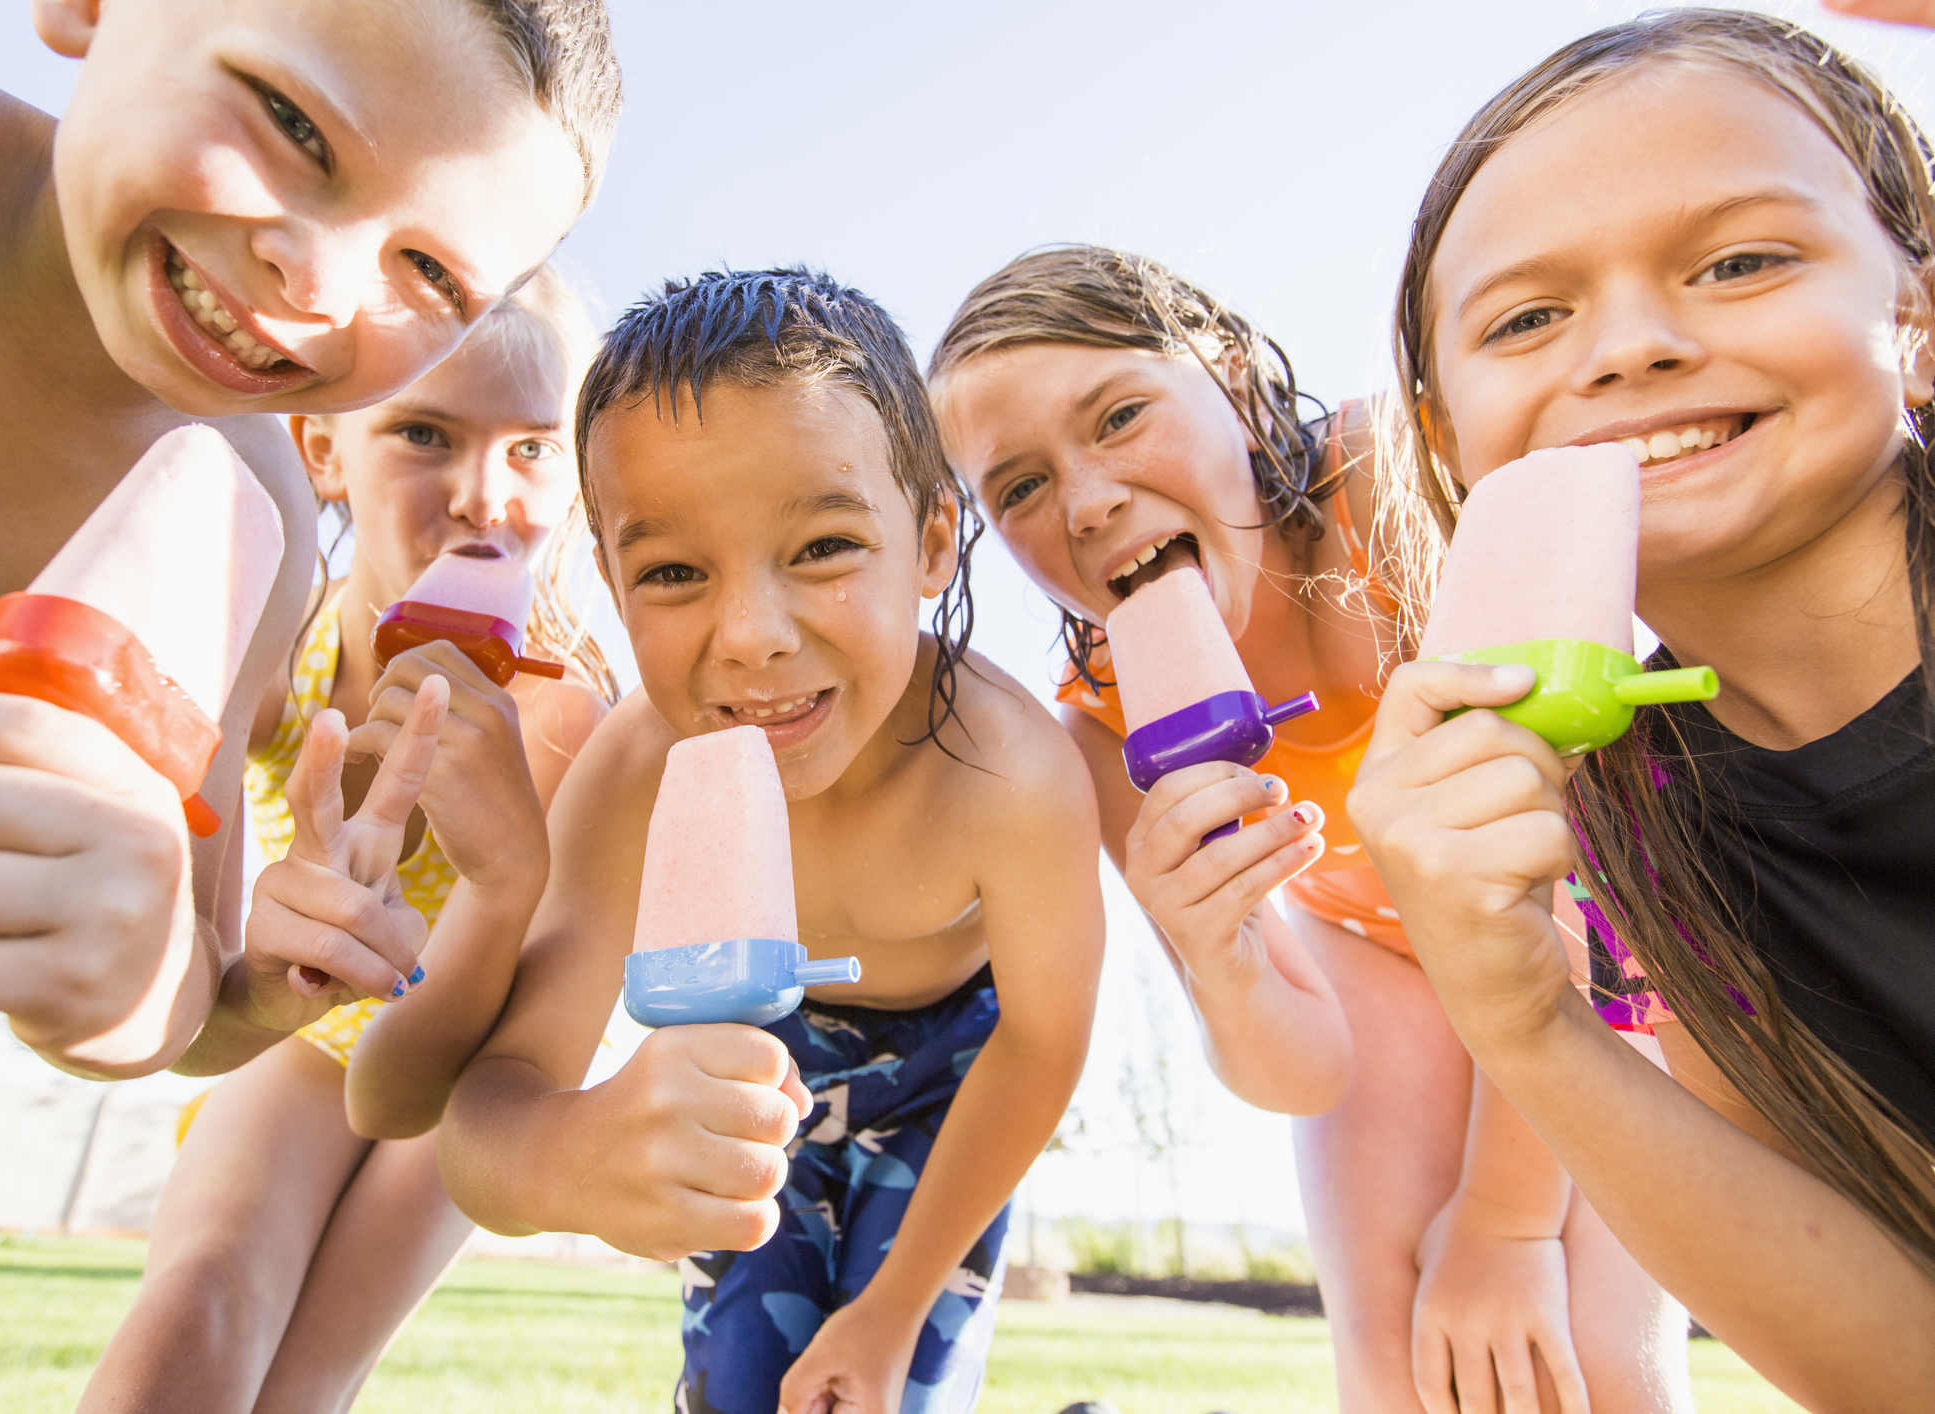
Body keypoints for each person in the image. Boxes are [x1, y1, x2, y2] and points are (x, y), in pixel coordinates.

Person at [930, 246, 1689, 1414]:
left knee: (1587, 1359)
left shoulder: (1394, 490)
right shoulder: (1100, 718)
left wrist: (1504, 1219)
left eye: (1120, 416)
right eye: (1018, 487)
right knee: (1394, 1376)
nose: (1086, 503)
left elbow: (1580, 877)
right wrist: (1224, 962)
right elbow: (1299, 1064)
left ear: (1232, 380)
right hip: (1371, 943)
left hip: (1605, 928)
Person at [0, 0, 619, 1079]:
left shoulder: (249, 517)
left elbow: (191, 1006)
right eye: (291, 122)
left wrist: (157, 977)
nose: (319, 287)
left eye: (430, 275)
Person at [364, 268, 1105, 1414]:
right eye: (672, 573)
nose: (753, 637)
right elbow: (485, 1121)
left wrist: (890, 1309)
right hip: (754, 1064)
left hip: (964, 1074)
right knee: (742, 1395)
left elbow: (1044, 1048)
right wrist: (575, 1156)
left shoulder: (1014, 774)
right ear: (608, 580)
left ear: (935, 543)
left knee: (895, 1392)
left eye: (824, 547)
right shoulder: (634, 771)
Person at [1349, 10, 1935, 1409]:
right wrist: (1522, 1024)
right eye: (1527, 318)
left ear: (1915, 322)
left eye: (1741, 260)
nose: (1631, 346)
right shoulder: (1642, 815)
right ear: (1442, 431)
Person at [79, 275, 615, 1413]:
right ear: (322, 450)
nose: (485, 496)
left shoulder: (568, 720)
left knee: (305, 1382)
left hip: (474, 1054)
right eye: (425, 433)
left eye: (533, 451)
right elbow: (187, 921)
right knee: (197, 1303)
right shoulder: (281, 649)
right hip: (302, 1027)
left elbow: (496, 1016)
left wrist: (497, 877)